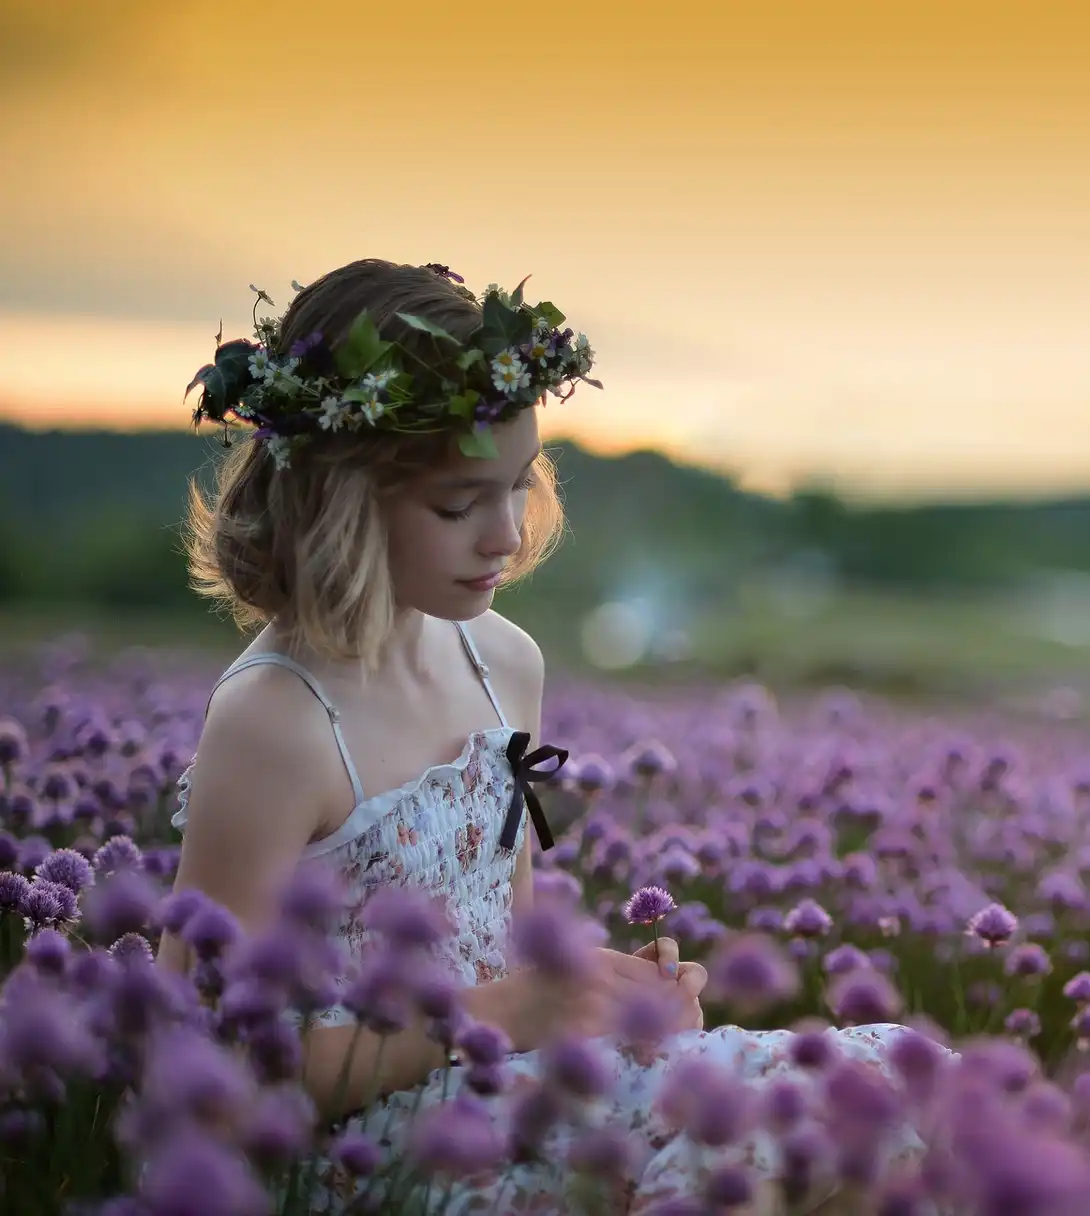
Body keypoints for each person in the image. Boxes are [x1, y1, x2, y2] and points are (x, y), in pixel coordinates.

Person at [158, 259, 937, 1213]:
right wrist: (492, 1017)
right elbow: (204, 1072)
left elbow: (513, 948)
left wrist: (608, 996)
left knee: (906, 1079)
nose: (502, 533)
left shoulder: (504, 662)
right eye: (457, 504)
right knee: (773, 1143)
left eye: (518, 485)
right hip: (370, 1151)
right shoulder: (275, 722)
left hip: (509, 1087)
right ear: (339, 499)